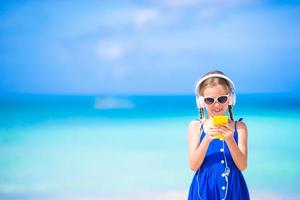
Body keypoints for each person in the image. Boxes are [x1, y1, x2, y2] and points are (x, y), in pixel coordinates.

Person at [187, 70, 250, 200]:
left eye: (222, 99)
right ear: (201, 102)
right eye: (210, 100)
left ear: (230, 99)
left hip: (235, 190)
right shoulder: (196, 127)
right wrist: (206, 140)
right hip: (204, 190)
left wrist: (230, 139)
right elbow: (193, 166)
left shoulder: (240, 127)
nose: (217, 105)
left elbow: (242, 165)